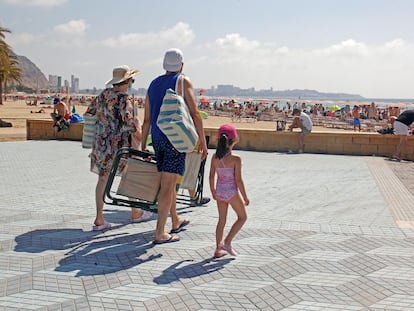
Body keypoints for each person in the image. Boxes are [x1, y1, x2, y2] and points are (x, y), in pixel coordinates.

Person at [142, 48, 208, 244]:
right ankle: (160, 232)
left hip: (157, 138)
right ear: (181, 65)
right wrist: (202, 142)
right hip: (175, 139)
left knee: (168, 182)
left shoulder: (153, 84)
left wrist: (143, 144)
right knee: (168, 185)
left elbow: (146, 119)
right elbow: (195, 114)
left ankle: (175, 219)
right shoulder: (183, 81)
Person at [90, 65, 152, 231]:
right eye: (131, 80)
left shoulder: (103, 94)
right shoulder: (125, 99)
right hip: (119, 146)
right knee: (130, 175)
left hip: (101, 144)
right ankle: (136, 212)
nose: (132, 82)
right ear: (126, 81)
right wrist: (143, 141)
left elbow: (91, 112)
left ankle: (99, 218)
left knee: (102, 179)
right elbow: (131, 123)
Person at [209, 124, 249, 258]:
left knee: (221, 220)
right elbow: (238, 180)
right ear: (234, 140)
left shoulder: (214, 157)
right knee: (242, 217)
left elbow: (211, 176)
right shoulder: (236, 159)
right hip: (231, 191)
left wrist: (213, 191)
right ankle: (227, 242)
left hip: (220, 191)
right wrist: (245, 197)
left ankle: (217, 248)